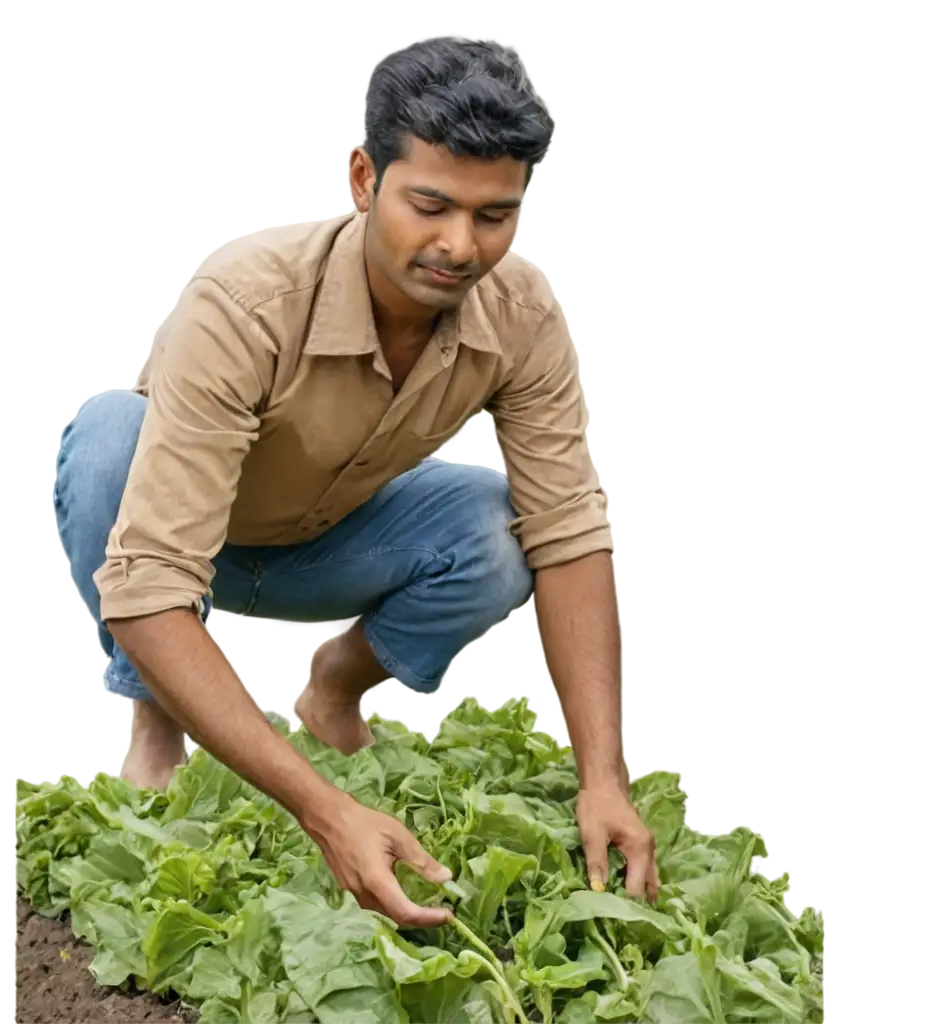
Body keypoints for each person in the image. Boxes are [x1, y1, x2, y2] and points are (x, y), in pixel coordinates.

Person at [51, 37, 658, 929]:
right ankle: (153, 721)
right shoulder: (246, 299)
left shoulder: (522, 314)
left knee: (506, 529)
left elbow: (568, 532)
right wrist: (323, 810)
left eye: (494, 216)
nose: (459, 245)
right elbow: (145, 583)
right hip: (191, 547)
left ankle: (332, 690)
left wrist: (601, 779)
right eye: (431, 205)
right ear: (365, 179)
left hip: (327, 539)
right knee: (109, 435)